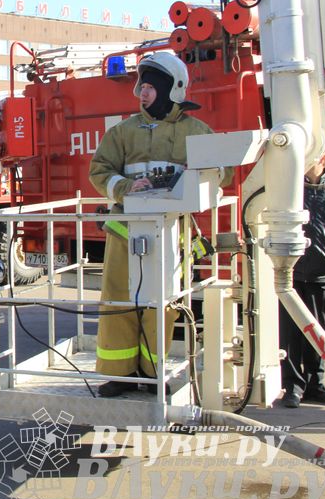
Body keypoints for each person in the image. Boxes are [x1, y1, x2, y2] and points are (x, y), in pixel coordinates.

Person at [88, 51, 232, 397]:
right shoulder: (123, 132)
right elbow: (100, 170)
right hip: (124, 231)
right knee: (118, 302)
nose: (142, 92)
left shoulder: (196, 132)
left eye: (151, 86)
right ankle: (119, 375)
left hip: (171, 232)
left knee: (161, 304)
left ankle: (155, 374)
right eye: (142, 85)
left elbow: (222, 171)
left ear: (173, 89)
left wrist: (191, 180)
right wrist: (124, 188)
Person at [278, 152, 325, 408]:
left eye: (313, 158)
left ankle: (315, 384)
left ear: (324, 161)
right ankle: (292, 387)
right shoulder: (291, 190)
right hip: (292, 274)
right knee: (290, 335)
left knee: (318, 334)